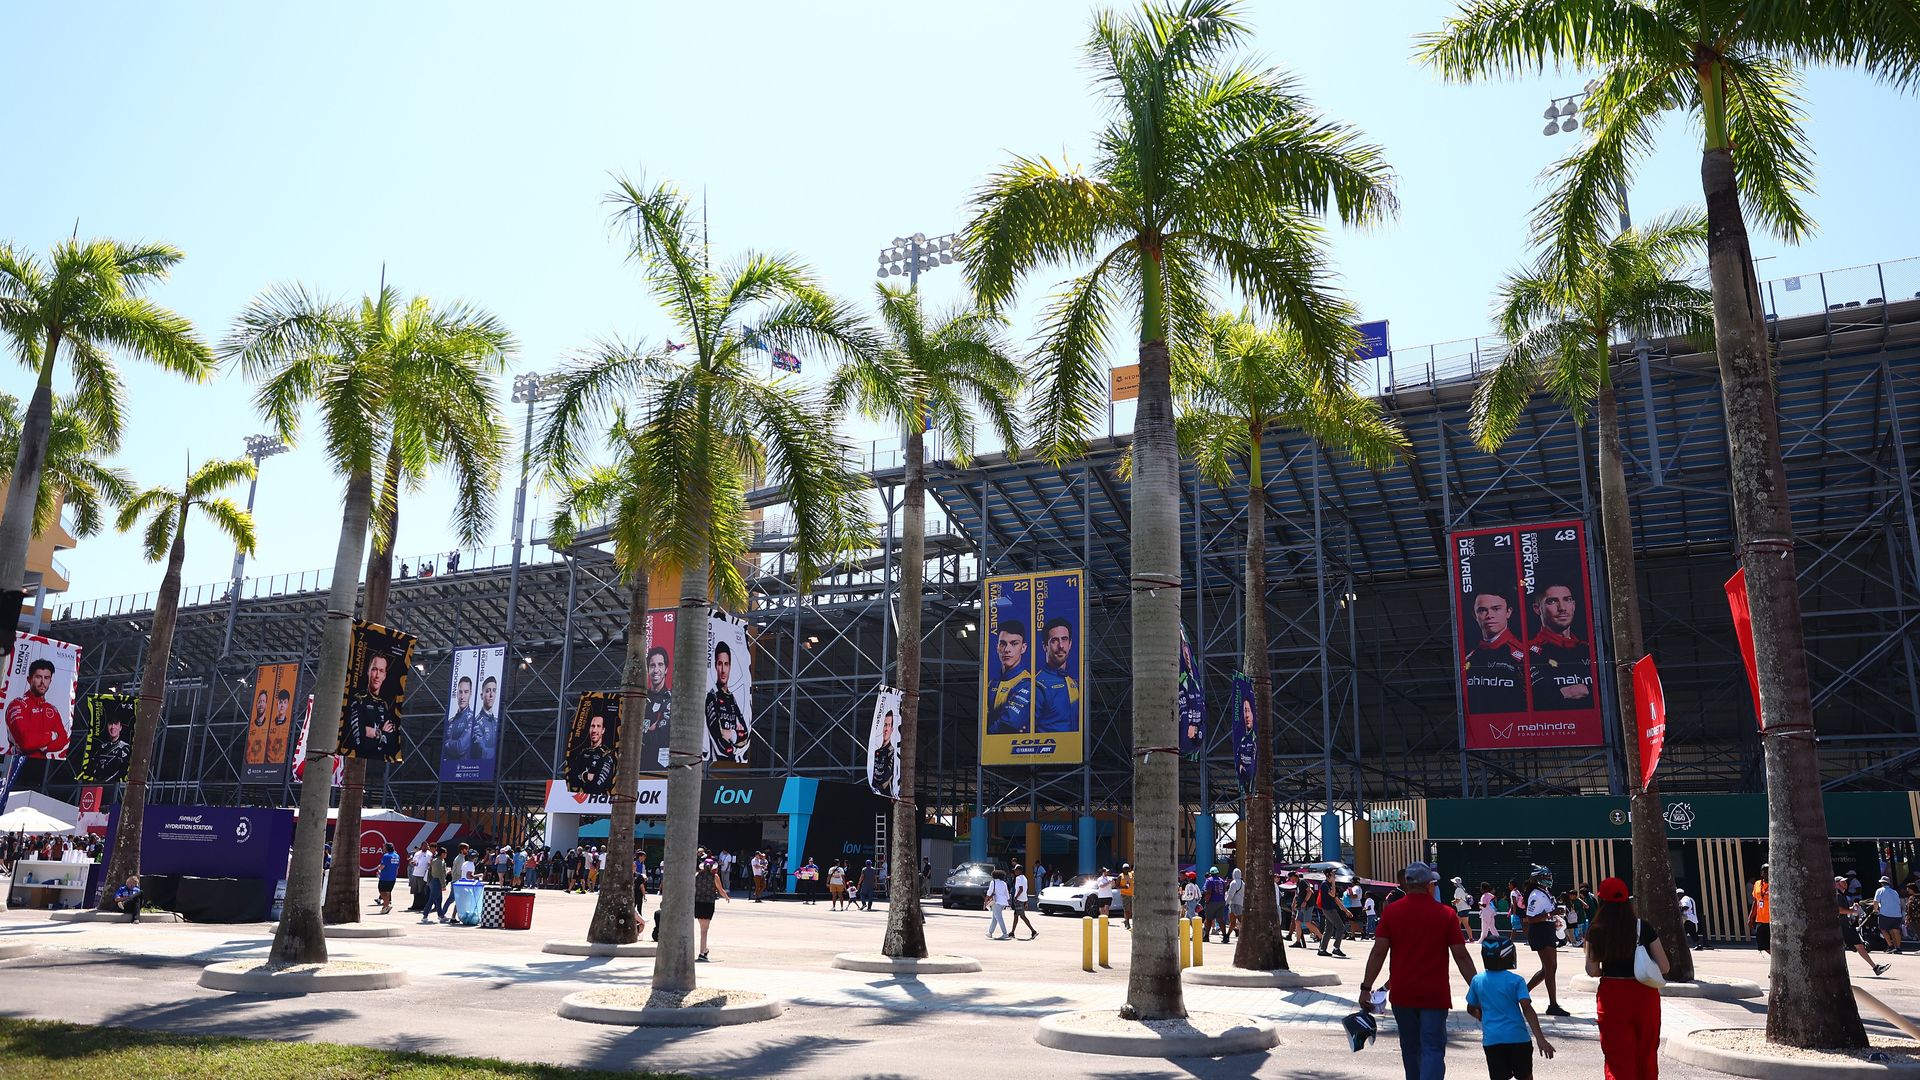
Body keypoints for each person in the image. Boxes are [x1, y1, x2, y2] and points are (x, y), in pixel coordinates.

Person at [1358, 862, 1478, 1080]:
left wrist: (1366, 988)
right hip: (1435, 994)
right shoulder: (1446, 914)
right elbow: (1461, 956)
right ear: (1429, 885)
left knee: (1410, 1048)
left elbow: (1378, 953)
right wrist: (1478, 989)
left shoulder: (1392, 912)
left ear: (1407, 883)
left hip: (1403, 994)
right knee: (1432, 1048)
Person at [1585, 877, 1670, 1079]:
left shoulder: (1596, 930)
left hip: (1613, 995)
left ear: (1601, 901)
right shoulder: (1643, 927)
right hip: (1644, 994)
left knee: (1618, 1057)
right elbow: (1665, 966)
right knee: (1646, 1054)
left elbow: (1592, 970)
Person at [1468, 936, 1556, 1080]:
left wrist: (1483, 1018)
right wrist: (1540, 1039)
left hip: (1492, 1040)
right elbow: (1527, 1009)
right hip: (1518, 1039)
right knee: (1525, 1076)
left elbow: (1471, 1008)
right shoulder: (1516, 981)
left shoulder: (1477, 981)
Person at [1527, 583, 1593, 709]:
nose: (1562, 608)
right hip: (1553, 726)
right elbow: (1535, 698)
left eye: (1567, 600)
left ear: (1573, 605)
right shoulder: (1530, 652)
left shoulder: (1589, 649)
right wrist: (1566, 693)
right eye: (1552, 601)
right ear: (1537, 608)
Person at [1463, 592, 1527, 714]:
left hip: (1517, 727)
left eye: (1496, 609)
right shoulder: (1469, 657)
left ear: (1508, 612)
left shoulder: (1524, 654)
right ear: (1474, 615)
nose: (1489, 615)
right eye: (1482, 610)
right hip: (1479, 728)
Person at [1521, 866, 1571, 1017]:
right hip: (1540, 932)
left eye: (1550, 876)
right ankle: (1553, 1005)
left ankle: (1522, 994)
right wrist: (1552, 913)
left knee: (1548, 969)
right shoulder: (1536, 895)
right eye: (1546, 877)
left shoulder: (1545, 893)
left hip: (1547, 930)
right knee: (1550, 968)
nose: (1550, 879)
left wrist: (1553, 917)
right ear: (1538, 879)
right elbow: (1530, 918)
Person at [6, 658, 68, 757]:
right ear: (29, 679)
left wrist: (44, 747)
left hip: (41, 764)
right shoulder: (17, 705)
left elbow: (63, 740)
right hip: (16, 762)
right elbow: (25, 741)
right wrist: (52, 735)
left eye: (46, 678)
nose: (43, 682)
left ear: (50, 681)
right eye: (38, 677)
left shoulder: (52, 709)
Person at [342, 654, 400, 759]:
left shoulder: (384, 704)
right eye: (374, 669)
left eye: (381, 671)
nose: (377, 675)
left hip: (379, 760)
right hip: (355, 759)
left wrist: (374, 733)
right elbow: (360, 740)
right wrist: (382, 734)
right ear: (368, 671)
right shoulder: (358, 700)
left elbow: (392, 743)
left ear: (385, 675)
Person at [704, 641, 750, 762]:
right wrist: (736, 735)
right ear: (715, 666)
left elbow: (745, 734)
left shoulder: (732, 698)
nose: (723, 670)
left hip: (732, 761)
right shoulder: (712, 697)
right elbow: (719, 738)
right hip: (714, 760)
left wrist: (731, 734)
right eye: (720, 664)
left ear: (730, 666)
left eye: (726, 664)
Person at [1033, 617, 1081, 732]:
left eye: (1064, 639)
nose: (1061, 646)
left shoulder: (1072, 682)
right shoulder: (1037, 685)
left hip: (1074, 748)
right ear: (1045, 646)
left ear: (1070, 644)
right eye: (1054, 640)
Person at [986, 620, 1033, 733]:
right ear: (997, 647)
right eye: (1003, 644)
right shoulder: (992, 683)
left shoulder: (1027, 684)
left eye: (1014, 643)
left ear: (1023, 648)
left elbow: (1006, 725)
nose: (1007, 649)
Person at [1838, 891, 1893, 975]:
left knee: (1859, 946)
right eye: (1842, 882)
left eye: (1845, 882)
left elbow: (1843, 910)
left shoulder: (1842, 895)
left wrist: (1852, 908)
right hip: (1843, 926)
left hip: (1846, 925)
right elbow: (1840, 910)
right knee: (1857, 947)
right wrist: (1852, 910)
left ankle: (1875, 968)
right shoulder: (1838, 895)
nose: (1845, 884)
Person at [568, 711, 616, 795]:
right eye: (592, 726)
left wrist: (581, 776)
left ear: (603, 730)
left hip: (598, 802)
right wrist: (586, 776)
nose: (594, 730)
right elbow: (571, 778)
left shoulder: (606, 754)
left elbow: (597, 786)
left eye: (598, 726)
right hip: (578, 801)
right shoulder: (583, 753)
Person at [694, 856, 730, 962]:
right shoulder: (715, 876)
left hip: (698, 902)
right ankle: (702, 952)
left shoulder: (697, 875)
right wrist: (726, 897)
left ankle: (704, 950)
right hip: (709, 903)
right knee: (705, 930)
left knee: (702, 928)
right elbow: (720, 890)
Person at [642, 645, 672, 769]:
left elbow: (660, 737)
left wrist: (640, 732)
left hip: (659, 770)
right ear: (648, 669)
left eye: (660, 665)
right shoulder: (641, 698)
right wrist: (650, 729)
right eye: (652, 665)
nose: (656, 670)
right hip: (637, 767)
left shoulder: (670, 699)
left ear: (666, 669)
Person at [1312, 868, 1350, 958]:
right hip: (1329, 909)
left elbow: (1336, 899)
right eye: (1333, 874)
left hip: (1330, 909)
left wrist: (1346, 911)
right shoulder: (1325, 884)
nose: (1335, 875)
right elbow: (1333, 894)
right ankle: (1336, 948)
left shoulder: (1328, 884)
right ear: (1328, 874)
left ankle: (1322, 949)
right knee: (1341, 927)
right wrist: (1333, 882)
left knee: (1328, 930)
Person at [444, 675, 476, 760]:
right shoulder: (450, 721)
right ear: (457, 693)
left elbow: (460, 748)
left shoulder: (473, 719)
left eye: (466, 692)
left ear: (470, 694)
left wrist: (447, 743)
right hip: (448, 769)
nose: (462, 697)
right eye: (460, 692)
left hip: (465, 768)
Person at [471, 676, 499, 761]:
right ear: (481, 696)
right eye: (487, 691)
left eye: (494, 691)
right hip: (480, 769)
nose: (491, 695)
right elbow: (482, 752)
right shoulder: (476, 723)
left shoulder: (496, 721)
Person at [870, 711, 897, 796]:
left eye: (889, 725)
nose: (886, 729)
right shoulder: (876, 751)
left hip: (886, 795)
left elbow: (887, 776)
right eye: (885, 725)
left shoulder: (892, 752)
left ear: (892, 729)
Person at [1876, 875, 1905, 954]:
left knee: (1883, 929)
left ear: (1882, 883)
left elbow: (1876, 902)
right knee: (1895, 930)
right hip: (1897, 914)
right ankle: (1898, 948)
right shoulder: (1894, 892)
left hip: (1885, 913)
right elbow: (1898, 903)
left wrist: (1875, 910)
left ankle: (1890, 946)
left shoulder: (1879, 890)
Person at [1010, 862, 1038, 940]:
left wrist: (1016, 897)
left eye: (1016, 870)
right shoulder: (1025, 878)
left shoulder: (1018, 878)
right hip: (1023, 899)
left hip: (1019, 899)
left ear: (1019, 871)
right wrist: (1026, 901)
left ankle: (1033, 931)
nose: (1014, 872)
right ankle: (1012, 932)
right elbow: (1025, 890)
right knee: (1016, 915)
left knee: (1022, 916)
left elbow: (1021, 889)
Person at [423, 847, 451, 924]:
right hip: (436, 881)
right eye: (445, 853)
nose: (446, 855)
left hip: (434, 880)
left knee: (438, 899)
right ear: (442, 853)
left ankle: (441, 915)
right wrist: (443, 885)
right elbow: (440, 874)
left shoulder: (438, 860)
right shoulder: (439, 862)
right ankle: (425, 916)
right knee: (432, 899)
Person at [1201, 866, 1227, 941]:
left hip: (1212, 902)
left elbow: (1208, 892)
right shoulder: (1222, 881)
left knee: (1208, 919)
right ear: (1217, 873)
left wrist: (1207, 901)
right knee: (1221, 920)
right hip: (1221, 902)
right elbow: (1224, 891)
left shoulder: (1209, 880)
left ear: (1210, 873)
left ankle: (1206, 936)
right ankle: (1225, 936)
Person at [986, 868, 1012, 940]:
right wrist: (1008, 902)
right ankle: (990, 932)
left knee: (999, 918)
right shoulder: (1004, 883)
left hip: (996, 902)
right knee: (995, 918)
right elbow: (1007, 894)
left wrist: (986, 900)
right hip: (1003, 902)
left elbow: (989, 892)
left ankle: (1005, 933)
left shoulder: (993, 882)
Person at [1750, 864, 1771, 953]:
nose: (1766, 873)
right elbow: (1756, 901)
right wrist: (1751, 917)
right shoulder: (1757, 884)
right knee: (1762, 945)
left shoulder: (1775, 883)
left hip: (1771, 921)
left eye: (1768, 871)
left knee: (1772, 944)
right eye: (1764, 871)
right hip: (1760, 920)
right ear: (1761, 873)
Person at [376, 842, 400, 915]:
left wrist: (378, 868)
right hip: (392, 877)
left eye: (384, 847)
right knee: (388, 891)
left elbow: (382, 866)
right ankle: (385, 906)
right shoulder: (397, 856)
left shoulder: (386, 856)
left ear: (387, 848)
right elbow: (397, 867)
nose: (383, 848)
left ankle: (386, 905)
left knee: (382, 891)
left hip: (385, 877)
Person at [408, 844, 431, 912]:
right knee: (415, 891)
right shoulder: (417, 853)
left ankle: (422, 906)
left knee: (422, 891)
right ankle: (415, 905)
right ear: (421, 846)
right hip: (415, 874)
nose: (425, 847)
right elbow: (413, 861)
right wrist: (413, 863)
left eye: (426, 846)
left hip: (423, 875)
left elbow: (429, 864)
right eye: (423, 846)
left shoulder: (429, 854)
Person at [1226, 868, 1246, 942]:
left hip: (1234, 904)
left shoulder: (1233, 883)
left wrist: (1226, 902)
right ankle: (1228, 935)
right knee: (1240, 921)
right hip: (1240, 904)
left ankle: (1227, 936)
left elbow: (1230, 894)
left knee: (1233, 922)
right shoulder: (1243, 883)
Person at [1118, 863, 1135, 929]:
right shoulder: (1120, 876)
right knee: (1126, 909)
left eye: (1127, 868)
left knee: (1130, 909)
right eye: (1125, 868)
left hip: (1132, 894)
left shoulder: (1131, 874)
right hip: (1124, 894)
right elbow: (1117, 885)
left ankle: (1126, 920)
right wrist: (1124, 887)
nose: (1126, 870)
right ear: (1123, 869)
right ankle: (1127, 923)